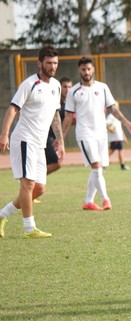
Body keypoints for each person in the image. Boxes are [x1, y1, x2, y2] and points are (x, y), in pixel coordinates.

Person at [0, 46, 64, 238]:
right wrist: (4, 134)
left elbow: (55, 114)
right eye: (49, 63)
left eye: (55, 63)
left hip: (40, 143)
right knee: (27, 185)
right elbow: (12, 109)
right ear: (39, 63)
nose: (52, 67)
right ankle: (30, 228)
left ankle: (2, 214)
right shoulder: (29, 84)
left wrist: (60, 138)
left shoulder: (56, 86)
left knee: (39, 189)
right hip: (24, 139)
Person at [62, 57, 131, 211]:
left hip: (101, 135)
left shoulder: (103, 87)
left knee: (98, 169)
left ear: (93, 70)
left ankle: (88, 201)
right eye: (83, 69)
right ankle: (106, 200)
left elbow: (113, 109)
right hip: (85, 134)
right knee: (97, 168)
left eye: (89, 69)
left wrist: (126, 123)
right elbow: (68, 118)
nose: (86, 72)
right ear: (79, 71)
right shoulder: (73, 91)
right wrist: (61, 139)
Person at [45, 77, 73, 176]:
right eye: (65, 87)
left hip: (55, 137)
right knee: (56, 163)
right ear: (60, 87)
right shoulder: (54, 100)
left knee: (47, 163)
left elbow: (69, 121)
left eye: (70, 87)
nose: (68, 90)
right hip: (46, 135)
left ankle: (31, 182)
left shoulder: (69, 104)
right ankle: (31, 180)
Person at [106, 102, 130, 170]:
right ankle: (103, 164)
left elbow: (120, 128)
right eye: (115, 106)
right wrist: (110, 129)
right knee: (113, 150)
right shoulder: (110, 116)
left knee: (116, 150)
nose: (116, 108)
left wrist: (124, 137)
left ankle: (122, 165)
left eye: (117, 106)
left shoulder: (117, 117)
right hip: (115, 138)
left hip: (119, 137)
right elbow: (106, 124)